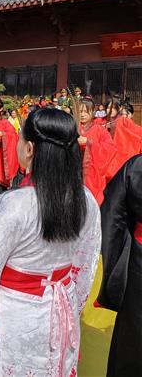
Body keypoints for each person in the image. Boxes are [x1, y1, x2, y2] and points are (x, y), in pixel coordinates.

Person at [0, 108, 101, 376]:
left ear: (29, 148)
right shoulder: (86, 200)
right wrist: (70, 300)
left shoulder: (14, 205)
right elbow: (85, 265)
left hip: (17, 316)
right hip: (61, 308)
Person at [96, 154, 142, 376]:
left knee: (133, 337)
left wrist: (117, 263)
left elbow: (112, 213)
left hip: (139, 263)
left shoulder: (137, 165)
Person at [78, 97, 117, 205]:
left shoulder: (100, 130)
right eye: (80, 111)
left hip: (92, 176)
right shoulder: (72, 128)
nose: (83, 114)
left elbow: (111, 149)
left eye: (86, 111)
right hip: (74, 174)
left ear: (93, 112)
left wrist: (89, 143)